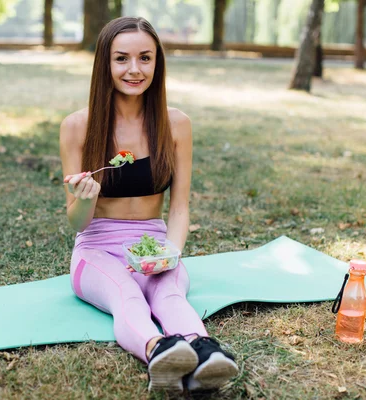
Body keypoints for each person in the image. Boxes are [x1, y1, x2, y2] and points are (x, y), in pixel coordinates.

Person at [59, 16, 239, 393]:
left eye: (146, 58)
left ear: (157, 63)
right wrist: (83, 198)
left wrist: (169, 253)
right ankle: (159, 351)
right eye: (121, 58)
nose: (135, 69)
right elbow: (77, 223)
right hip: (96, 251)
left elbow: (179, 207)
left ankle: (204, 353)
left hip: (155, 246)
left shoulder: (177, 125)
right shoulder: (77, 126)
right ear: (104, 64)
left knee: (169, 294)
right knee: (126, 293)